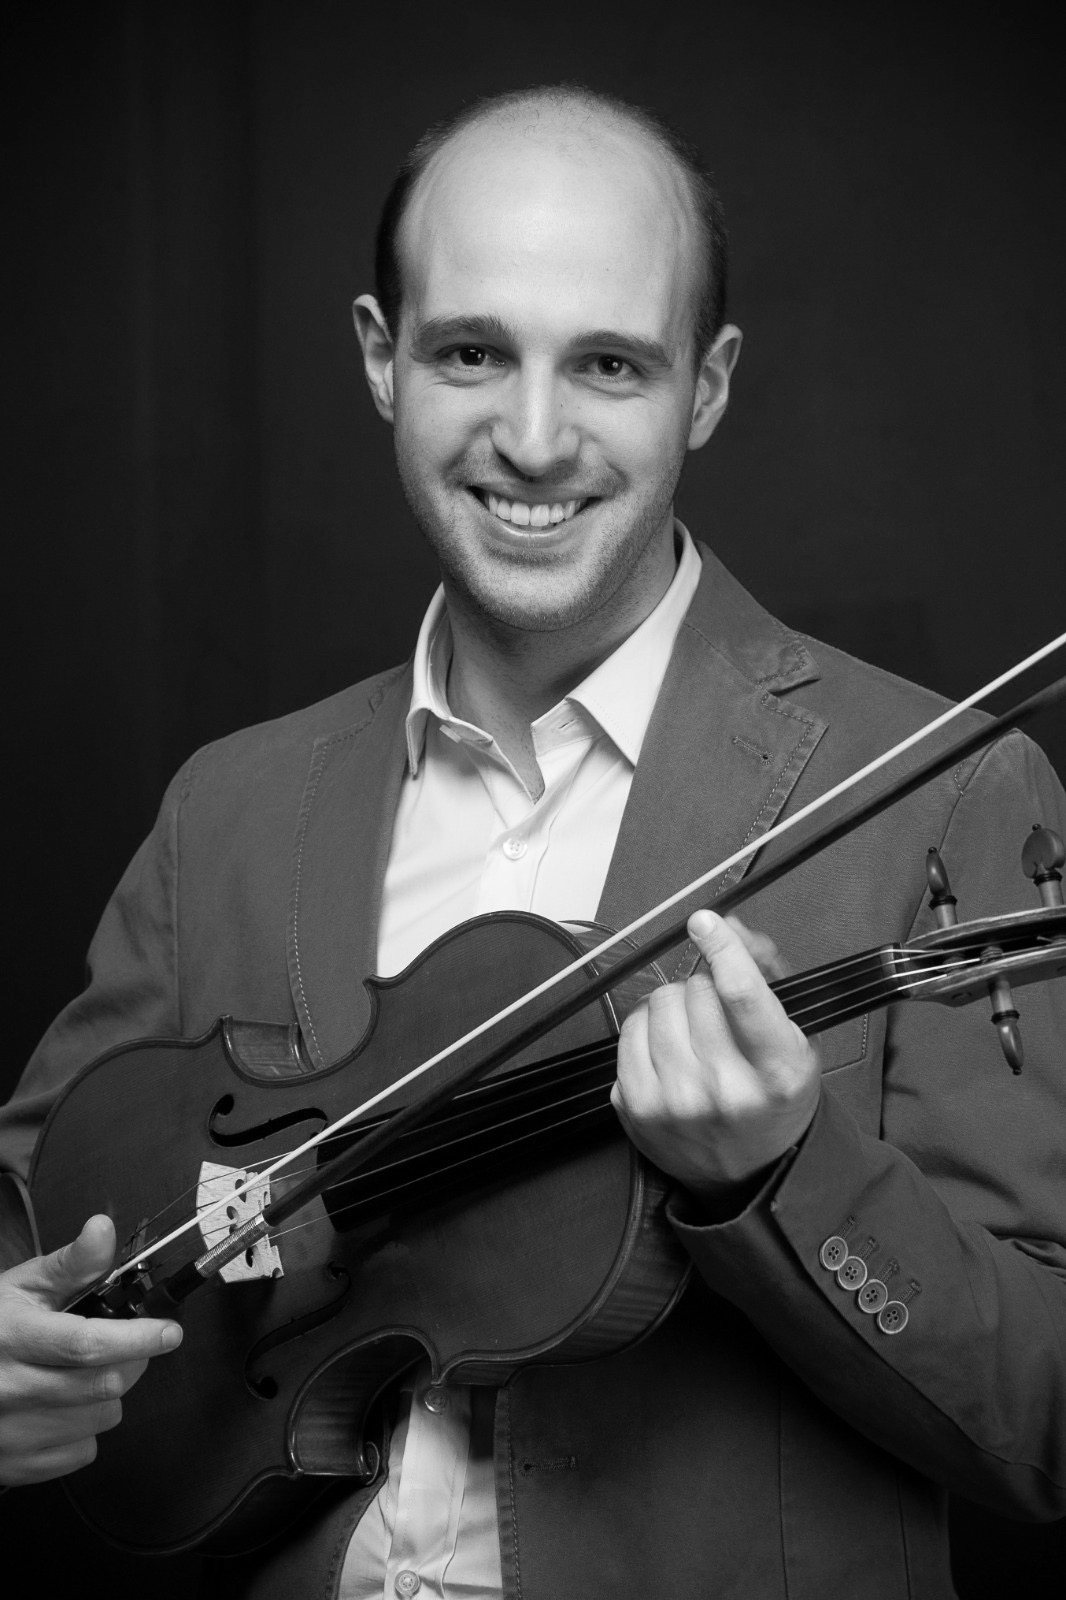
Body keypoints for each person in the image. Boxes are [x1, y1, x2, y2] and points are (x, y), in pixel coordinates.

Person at [2, 83, 1065, 1600]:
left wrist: (782, 1176)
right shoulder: (228, 805)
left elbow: (1045, 1423)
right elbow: (31, 1201)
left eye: (610, 364)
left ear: (706, 387)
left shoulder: (944, 791)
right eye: (471, 352)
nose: (534, 438)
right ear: (382, 358)